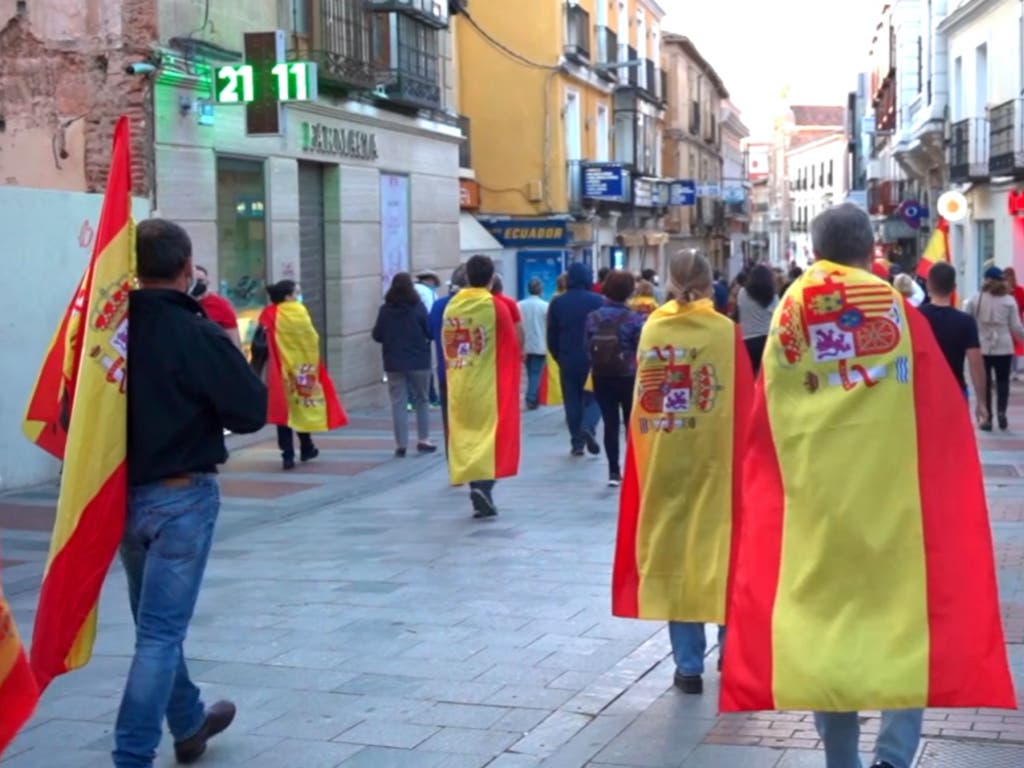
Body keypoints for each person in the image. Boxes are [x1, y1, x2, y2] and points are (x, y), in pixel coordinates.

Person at [723, 204, 1015, 768]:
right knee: (905, 628)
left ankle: (842, 760)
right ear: (869, 250)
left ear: (814, 249)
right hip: (893, 508)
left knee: (830, 634)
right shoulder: (900, 312)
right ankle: (895, 755)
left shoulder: (791, 312)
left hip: (819, 509)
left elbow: (770, 409)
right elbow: (938, 408)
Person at [119, 219, 267, 768]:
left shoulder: (106, 336)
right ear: (187, 269)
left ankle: (187, 723)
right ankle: (130, 754)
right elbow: (250, 410)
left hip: (121, 499)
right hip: (181, 498)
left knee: (154, 621)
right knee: (158, 633)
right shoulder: (197, 332)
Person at [612, 249, 753, 695]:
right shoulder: (726, 332)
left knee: (677, 555)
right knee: (723, 553)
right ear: (712, 281)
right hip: (716, 461)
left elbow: (643, 393)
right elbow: (746, 400)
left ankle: (688, 666)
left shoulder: (654, 328)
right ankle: (730, 653)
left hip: (666, 458)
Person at [442, 255, 521, 518]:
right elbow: (511, 345)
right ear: (490, 278)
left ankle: (476, 485)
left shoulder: (452, 306)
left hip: (460, 382)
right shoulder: (495, 306)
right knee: (491, 436)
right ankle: (483, 486)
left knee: (466, 435)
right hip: (489, 384)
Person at [257, 280, 347, 469]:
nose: (298, 295)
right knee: (300, 406)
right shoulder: (299, 312)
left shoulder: (269, 313)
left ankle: (287, 455)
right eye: (296, 292)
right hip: (302, 367)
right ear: (288, 296)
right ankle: (307, 446)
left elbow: (261, 339)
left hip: (280, 370)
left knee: (285, 410)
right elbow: (311, 338)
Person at [585, 270, 646, 486]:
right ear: (629, 291)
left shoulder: (593, 317)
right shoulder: (635, 318)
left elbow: (587, 345)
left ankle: (613, 471)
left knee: (609, 423)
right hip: (628, 375)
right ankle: (633, 467)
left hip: (601, 375)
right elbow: (641, 348)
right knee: (631, 422)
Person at [373, 272, 436, 456]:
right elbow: (430, 332)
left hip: (393, 362)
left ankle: (401, 444)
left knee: (398, 402)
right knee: (422, 399)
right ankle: (424, 439)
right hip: (419, 362)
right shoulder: (418, 307)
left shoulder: (385, 310)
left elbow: (377, 335)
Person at [548, 263, 604, 456]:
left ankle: (576, 443)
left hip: (568, 357)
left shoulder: (558, 303)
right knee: (595, 396)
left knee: (571, 400)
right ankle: (588, 425)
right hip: (593, 358)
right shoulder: (599, 301)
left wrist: (558, 356)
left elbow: (552, 335)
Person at [920, 262, 987, 423]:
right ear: (954, 287)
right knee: (955, 444)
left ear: (928, 285)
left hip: (924, 392)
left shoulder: (917, 317)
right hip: (955, 390)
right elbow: (975, 363)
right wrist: (981, 401)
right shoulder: (965, 321)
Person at [964, 266, 1024, 430]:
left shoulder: (976, 298)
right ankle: (1002, 413)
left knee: (985, 383)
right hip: (1004, 345)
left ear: (986, 280)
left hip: (982, 344)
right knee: (1003, 381)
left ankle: (987, 417)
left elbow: (966, 319)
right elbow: (1016, 327)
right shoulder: (1009, 300)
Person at [428, 265, 468, 447]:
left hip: (446, 371)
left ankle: (453, 460)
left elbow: (429, 332)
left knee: (450, 424)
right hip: (473, 373)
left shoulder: (438, 306)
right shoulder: (477, 306)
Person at [736, 263, 778, 375]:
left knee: (750, 375)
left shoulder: (742, 293)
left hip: (747, 340)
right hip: (767, 340)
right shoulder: (772, 297)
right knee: (764, 376)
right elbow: (776, 316)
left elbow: (739, 311)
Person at [190, 265, 241, 349]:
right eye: (194, 281)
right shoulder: (183, 302)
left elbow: (234, 341)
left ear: (207, 282)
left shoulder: (221, 305)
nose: (197, 285)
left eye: (200, 281)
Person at [518, 277, 550, 410]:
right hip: (540, 343)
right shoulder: (545, 306)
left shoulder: (519, 305)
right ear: (540, 290)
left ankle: (534, 398)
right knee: (536, 372)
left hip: (524, 344)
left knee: (530, 371)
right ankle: (531, 398)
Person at [1004, 266, 1024, 379]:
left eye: (1009, 276)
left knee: (1015, 348)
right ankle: (1010, 370)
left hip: (1016, 323)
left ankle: (1014, 370)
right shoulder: (1002, 292)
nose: (1008, 279)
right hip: (1005, 324)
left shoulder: (1019, 291)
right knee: (1008, 347)